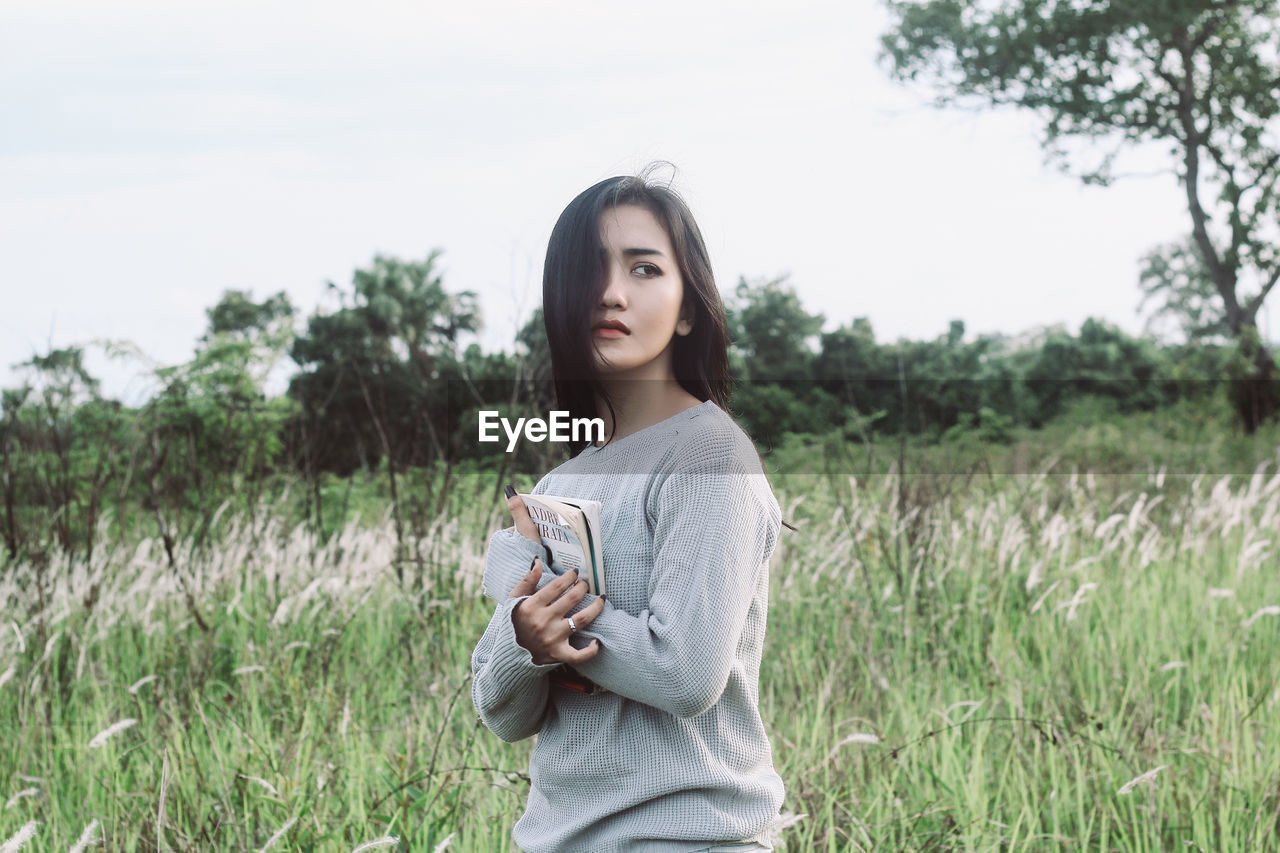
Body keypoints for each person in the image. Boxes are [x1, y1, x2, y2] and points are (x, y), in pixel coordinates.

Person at [471, 166, 786, 853]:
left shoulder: (706, 455)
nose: (610, 292)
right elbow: (503, 711)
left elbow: (683, 673)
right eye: (589, 271)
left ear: (688, 306)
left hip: (688, 839)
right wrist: (525, 632)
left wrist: (536, 590)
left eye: (644, 268)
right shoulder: (562, 474)